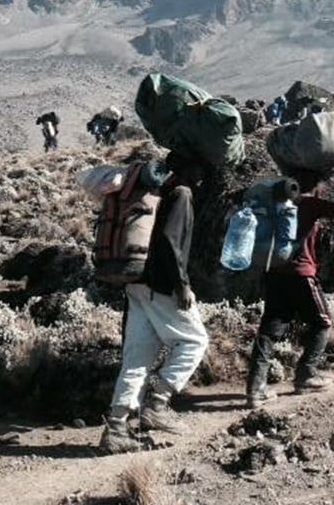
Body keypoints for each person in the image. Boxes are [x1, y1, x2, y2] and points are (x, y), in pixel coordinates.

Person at [101, 152, 210, 452]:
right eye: (199, 166)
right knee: (195, 342)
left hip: (135, 284)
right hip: (161, 286)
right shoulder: (182, 193)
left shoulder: (156, 190)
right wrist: (182, 285)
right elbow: (169, 241)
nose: (202, 173)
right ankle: (158, 403)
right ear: (186, 167)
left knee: (138, 358)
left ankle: (116, 428)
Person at [246, 155, 334, 409]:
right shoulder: (309, 204)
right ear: (315, 183)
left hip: (275, 272)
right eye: (323, 183)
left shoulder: (279, 202)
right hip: (301, 275)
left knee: (269, 330)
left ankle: (255, 389)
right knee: (322, 323)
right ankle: (306, 374)